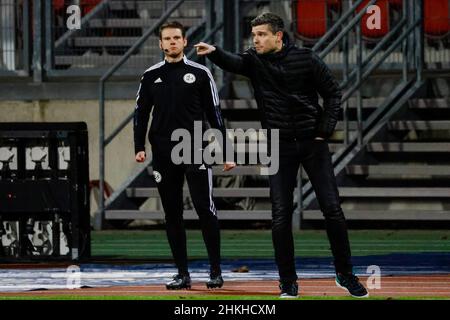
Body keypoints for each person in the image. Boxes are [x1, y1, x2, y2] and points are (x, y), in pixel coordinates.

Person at [195, 12, 369, 298]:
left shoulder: (306, 58)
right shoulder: (254, 60)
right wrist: (214, 52)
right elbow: (234, 62)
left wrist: (323, 131)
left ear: (279, 36)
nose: (256, 40)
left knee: (332, 210)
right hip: (278, 145)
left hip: (313, 144)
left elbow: (334, 93)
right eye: (253, 36)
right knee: (280, 216)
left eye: (262, 35)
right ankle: (288, 281)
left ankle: (345, 274)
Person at [134, 21, 235, 290]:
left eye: (176, 37)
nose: (172, 42)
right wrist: (139, 146)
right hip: (163, 152)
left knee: (205, 207)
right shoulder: (150, 75)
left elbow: (214, 113)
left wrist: (226, 151)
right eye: (167, 39)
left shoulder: (201, 73)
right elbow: (141, 114)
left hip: (194, 146)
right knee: (172, 213)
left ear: (185, 41)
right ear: (160, 44)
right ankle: (182, 274)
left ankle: (215, 271)